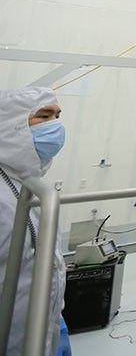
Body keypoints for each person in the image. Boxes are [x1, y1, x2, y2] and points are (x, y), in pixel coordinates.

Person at [0, 87, 70, 356]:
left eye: (58, 115)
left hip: (42, 326)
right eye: (44, 116)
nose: (56, 125)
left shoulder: (28, 185)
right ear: (11, 126)